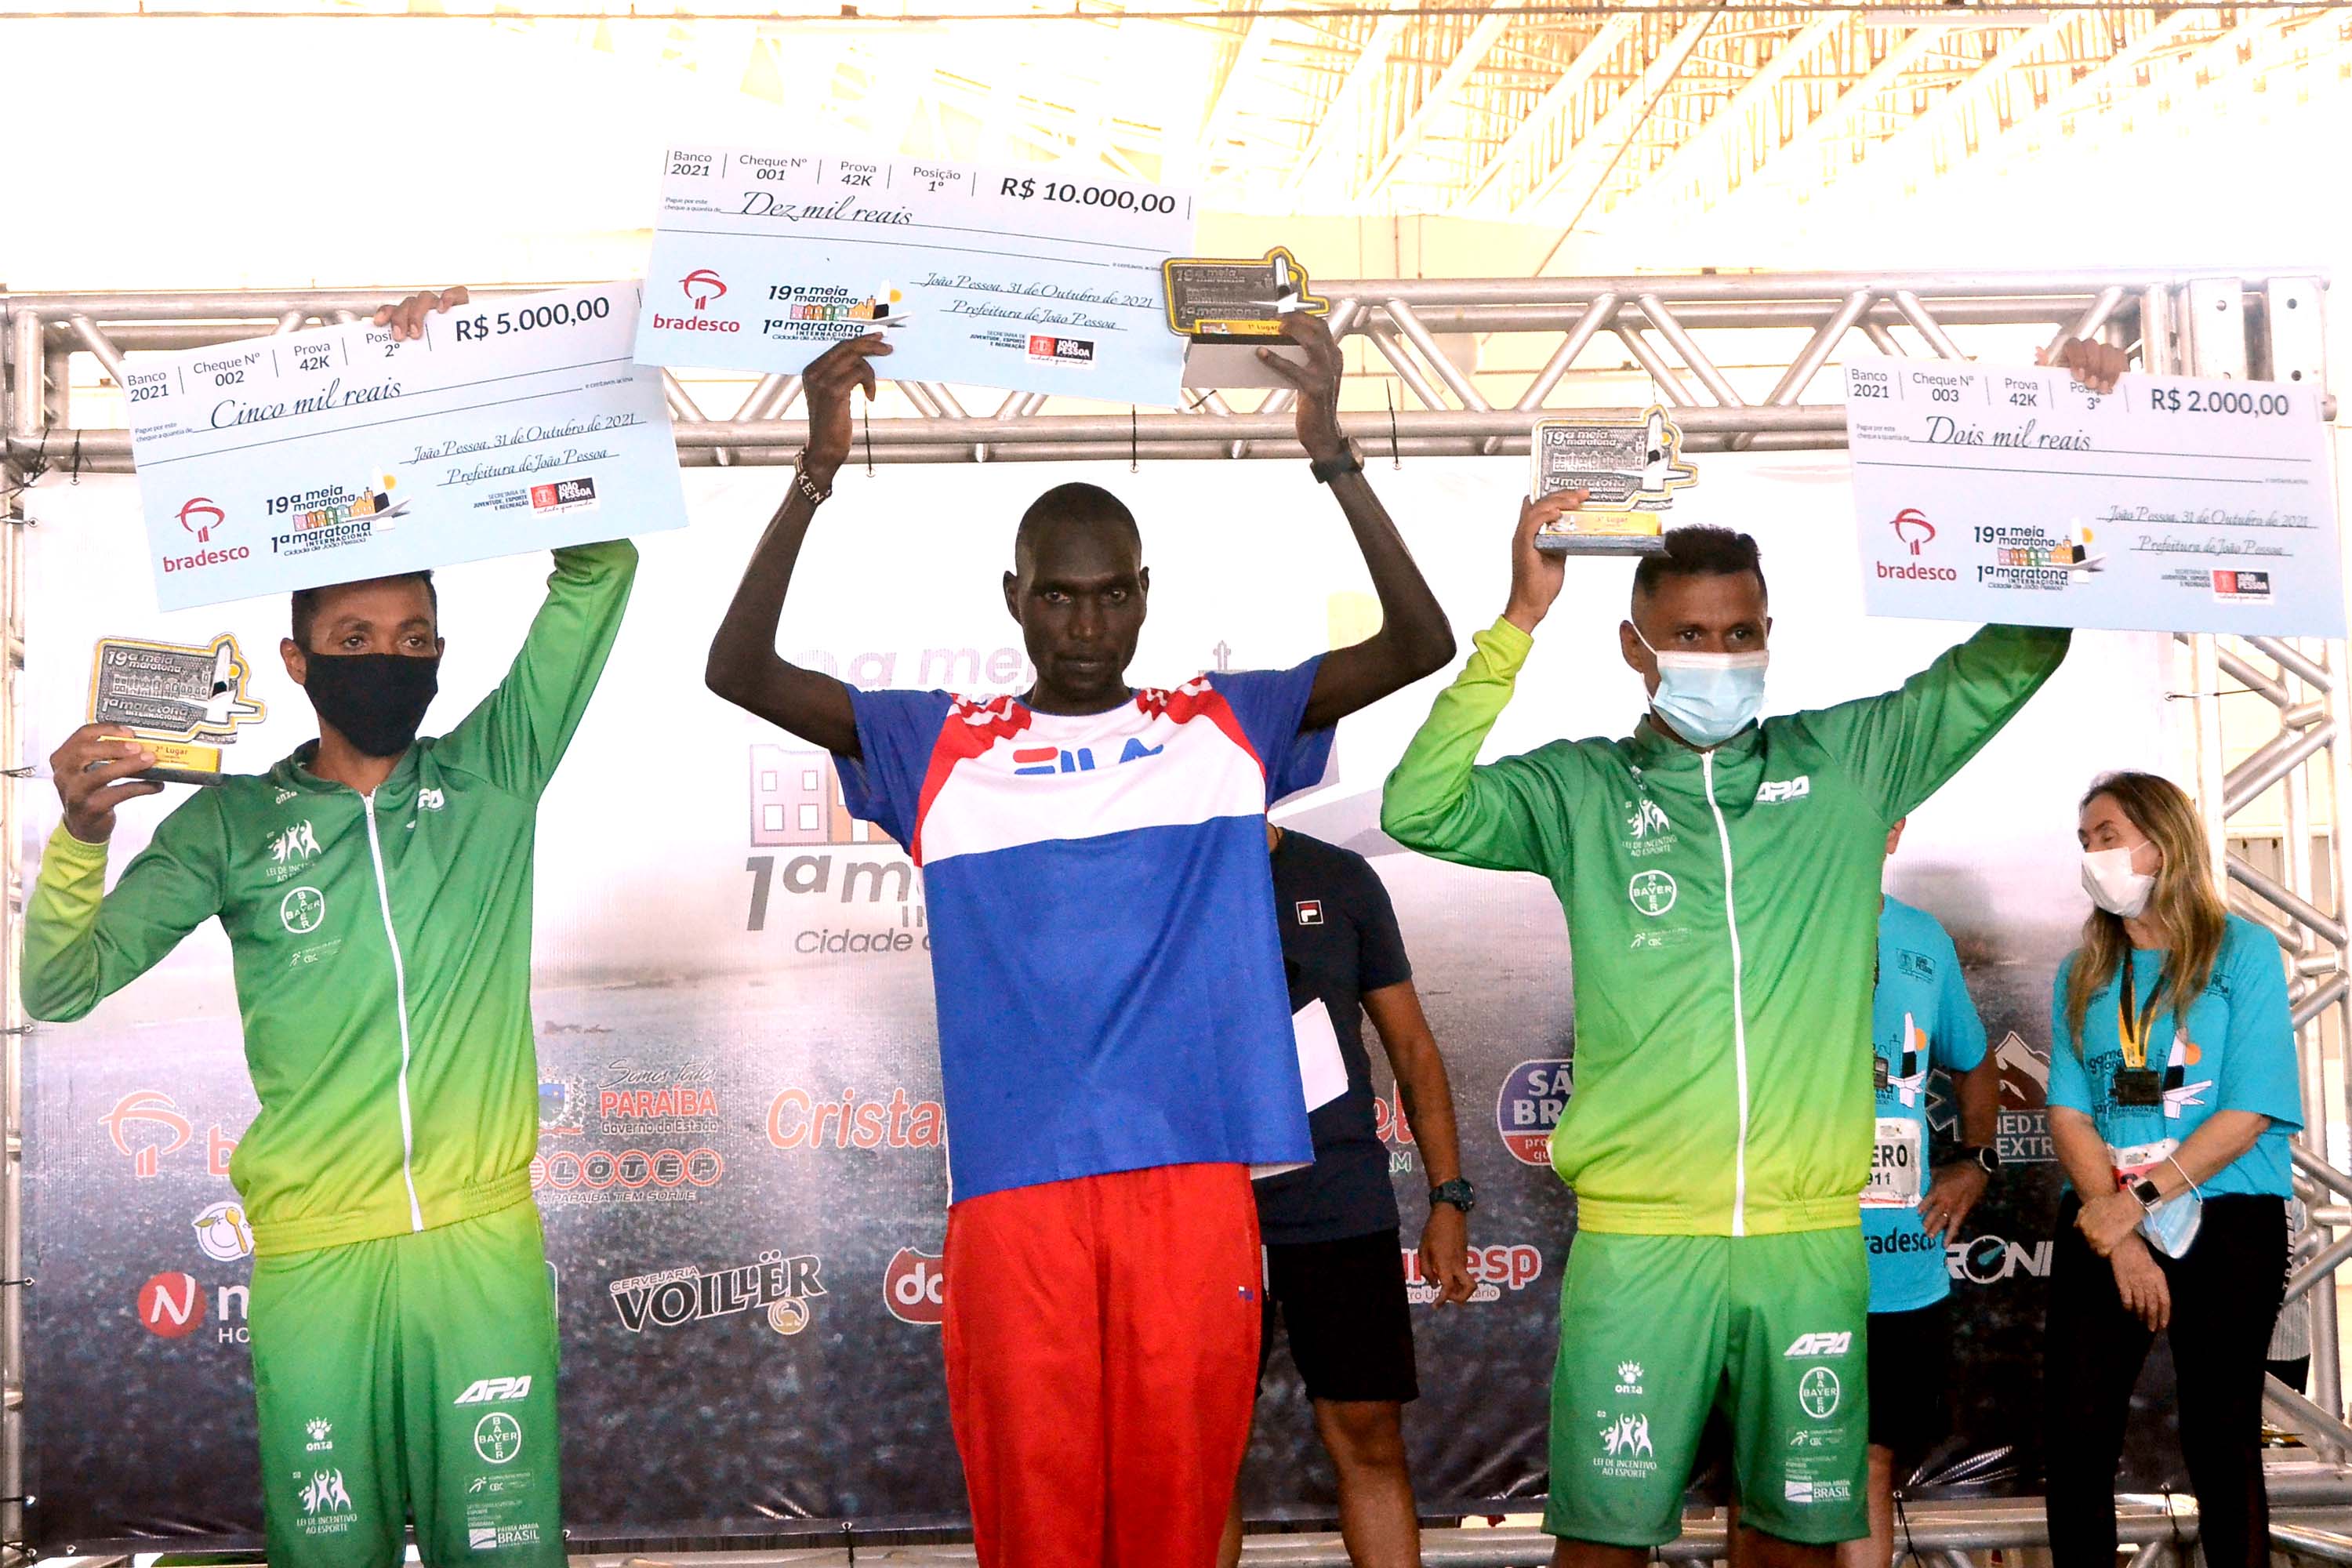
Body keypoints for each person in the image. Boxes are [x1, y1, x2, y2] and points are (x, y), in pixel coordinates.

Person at [702, 314, 1454, 1568]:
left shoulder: (1224, 724)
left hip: (1194, 1186)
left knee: (1173, 1528)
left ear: (1146, 597)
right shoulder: (940, 743)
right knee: (1039, 1530)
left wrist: (1332, 452)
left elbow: (1419, 645)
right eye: (1059, 594)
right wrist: (816, 466)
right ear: (1015, 597)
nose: (1088, 625)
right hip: (1016, 1199)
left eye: (1113, 596)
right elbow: (738, 667)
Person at [1373, 333, 2119, 1568]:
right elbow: (1420, 807)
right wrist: (1518, 618)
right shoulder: (1582, 794)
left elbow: (2019, 650)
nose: (1720, 658)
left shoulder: (1845, 764)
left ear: (1768, 633)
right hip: (1638, 1241)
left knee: (1790, 1544)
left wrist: (2064, 452)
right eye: (1694, 636)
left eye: (1741, 633)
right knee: (1602, 1545)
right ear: (1635, 644)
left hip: (1806, 1244)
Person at [23, 287, 632, 1568]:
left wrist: (464, 384)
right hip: (314, 1268)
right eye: (354, 638)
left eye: (412, 639)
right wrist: (80, 839)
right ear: (296, 660)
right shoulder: (230, 828)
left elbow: (602, 560)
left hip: (481, 1254)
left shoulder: (493, 773)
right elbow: (65, 982)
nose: (387, 658)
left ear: (439, 653)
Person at [2044, 771, 2300, 1568]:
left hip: (2227, 1215)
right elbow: (2069, 1111)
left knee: (2220, 1433)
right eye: (2085, 839)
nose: (2093, 854)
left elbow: (2250, 1106)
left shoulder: (2244, 951)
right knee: (2076, 1434)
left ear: (2163, 840)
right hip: (2101, 1214)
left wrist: (2143, 1198)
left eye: (2109, 834)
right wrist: (2119, 1230)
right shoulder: (2083, 971)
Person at [1218, 823, 1477, 1568]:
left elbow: (1413, 1049)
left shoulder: (1338, 875)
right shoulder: (1154, 870)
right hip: (1203, 1212)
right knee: (1203, 1452)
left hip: (1337, 1200)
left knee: (1366, 1430)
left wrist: (1448, 1198)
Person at [1850, 817, 2001, 1568]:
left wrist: (1974, 1159)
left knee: (1872, 1465)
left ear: (1895, 830)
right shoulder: (1761, 924)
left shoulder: (1923, 937)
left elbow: (1975, 1063)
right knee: (1775, 1471)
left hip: (1900, 1262)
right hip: (1784, 1253)